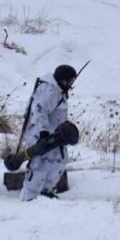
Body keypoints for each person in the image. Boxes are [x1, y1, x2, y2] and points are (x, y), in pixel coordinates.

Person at [19, 64, 77, 201]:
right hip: (39, 131)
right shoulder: (50, 90)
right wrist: (42, 131)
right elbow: (38, 110)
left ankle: (46, 191)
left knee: (60, 160)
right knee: (40, 163)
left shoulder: (59, 90)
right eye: (70, 80)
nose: (71, 84)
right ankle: (30, 196)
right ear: (63, 79)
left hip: (55, 133)